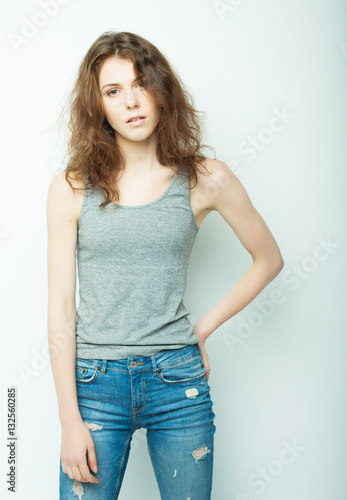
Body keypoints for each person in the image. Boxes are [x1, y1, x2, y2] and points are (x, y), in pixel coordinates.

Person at [46, 30, 284, 500]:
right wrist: (69, 419)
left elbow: (268, 259)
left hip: (178, 383)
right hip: (94, 383)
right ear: (98, 106)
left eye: (141, 84)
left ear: (161, 91)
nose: (131, 102)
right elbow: (60, 309)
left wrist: (201, 330)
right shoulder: (71, 187)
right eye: (113, 91)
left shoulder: (205, 179)